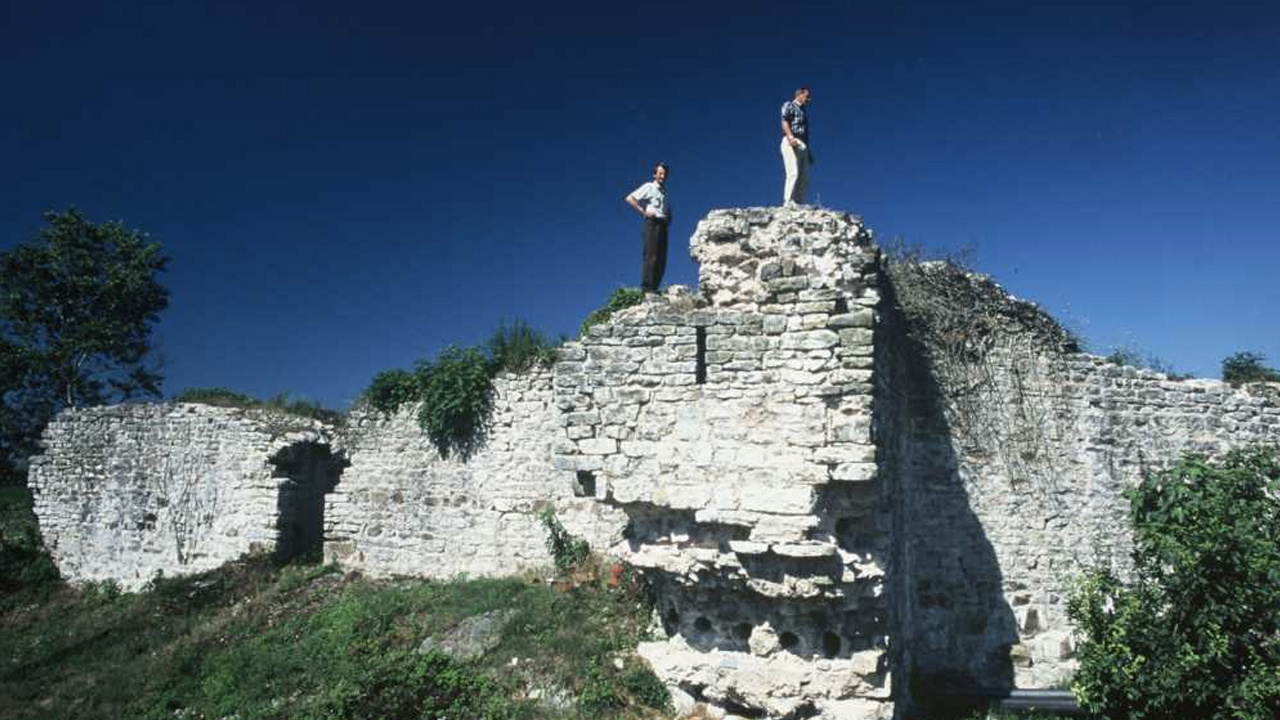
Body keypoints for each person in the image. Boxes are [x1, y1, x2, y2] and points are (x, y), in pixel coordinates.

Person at [624, 163, 671, 292]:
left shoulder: (665, 193)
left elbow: (667, 210)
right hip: (652, 222)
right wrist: (643, 211)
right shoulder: (649, 186)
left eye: (665, 174)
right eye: (660, 173)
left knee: (662, 258)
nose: (662, 176)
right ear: (654, 174)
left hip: (662, 224)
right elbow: (630, 198)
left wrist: (668, 220)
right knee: (651, 255)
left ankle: (655, 287)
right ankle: (647, 288)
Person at [780, 87, 813, 206]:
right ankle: (788, 201)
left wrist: (808, 152)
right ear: (799, 94)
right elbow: (785, 121)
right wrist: (790, 137)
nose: (808, 99)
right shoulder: (789, 105)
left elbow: (805, 133)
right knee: (793, 171)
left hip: (803, 144)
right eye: (806, 96)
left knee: (804, 176)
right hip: (792, 139)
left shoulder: (803, 112)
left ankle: (799, 202)